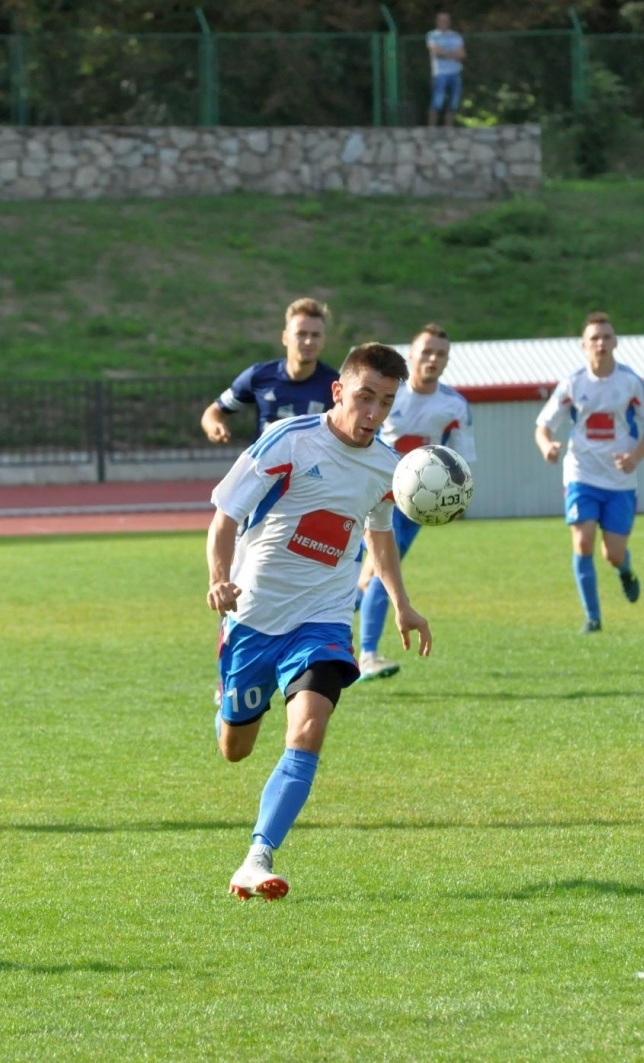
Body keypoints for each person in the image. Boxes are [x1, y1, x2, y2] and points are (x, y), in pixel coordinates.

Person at [206, 342, 431, 901]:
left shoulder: (388, 466)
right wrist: (219, 578)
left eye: (386, 402)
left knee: (308, 728)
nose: (373, 413)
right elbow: (226, 515)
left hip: (324, 619)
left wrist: (401, 602)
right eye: (364, 397)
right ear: (338, 391)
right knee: (235, 747)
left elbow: (379, 532)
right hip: (255, 615)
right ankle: (226, 699)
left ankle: (257, 857)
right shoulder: (288, 440)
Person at [355, 323, 474, 681]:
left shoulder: (454, 405)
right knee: (376, 571)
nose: (433, 359)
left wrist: (459, 498)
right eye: (426, 352)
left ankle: (357, 641)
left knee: (374, 573)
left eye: (440, 354)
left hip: (413, 505)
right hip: (372, 492)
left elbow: (461, 460)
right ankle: (366, 653)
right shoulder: (391, 394)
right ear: (411, 355)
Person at [534, 312, 644, 634]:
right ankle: (593, 619)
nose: (601, 343)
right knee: (583, 542)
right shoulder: (573, 383)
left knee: (613, 554)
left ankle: (625, 570)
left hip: (620, 480)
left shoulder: (630, 382)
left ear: (615, 342)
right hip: (581, 474)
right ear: (583, 345)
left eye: (606, 337)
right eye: (594, 338)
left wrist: (634, 457)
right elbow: (543, 425)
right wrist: (547, 446)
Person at [201, 298, 340, 445]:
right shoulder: (259, 375)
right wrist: (213, 426)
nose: (308, 341)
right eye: (301, 334)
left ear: (323, 340)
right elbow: (214, 411)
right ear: (285, 337)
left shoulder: (335, 386)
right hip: (262, 460)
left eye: (315, 335)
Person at [426, 12, 466, 128]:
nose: (444, 22)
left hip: (455, 73)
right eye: (441, 20)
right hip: (440, 73)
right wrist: (453, 54)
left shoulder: (456, 36)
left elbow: (462, 54)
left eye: (446, 20)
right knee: (437, 102)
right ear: (437, 22)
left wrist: (445, 53)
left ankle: (449, 129)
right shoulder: (432, 35)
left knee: (453, 103)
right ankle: (431, 128)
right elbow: (436, 52)